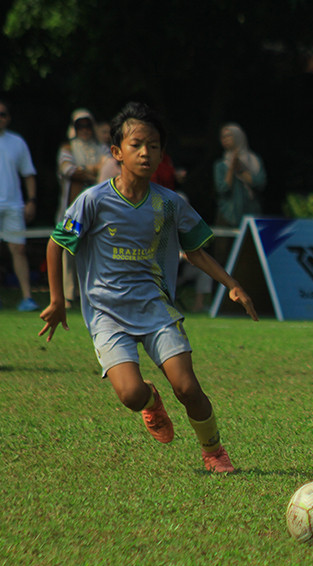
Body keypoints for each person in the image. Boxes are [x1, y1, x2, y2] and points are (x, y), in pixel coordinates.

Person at [38, 102, 259, 473]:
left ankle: (213, 450)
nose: (145, 152)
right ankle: (150, 401)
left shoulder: (171, 204)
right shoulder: (93, 201)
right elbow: (56, 244)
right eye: (136, 144)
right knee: (130, 394)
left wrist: (232, 284)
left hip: (156, 309)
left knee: (188, 388)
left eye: (153, 146)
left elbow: (197, 252)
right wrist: (58, 301)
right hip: (108, 315)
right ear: (116, 152)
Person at [193, 123, 266, 311]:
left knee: (250, 258)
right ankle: (219, 302)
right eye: (223, 136)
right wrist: (231, 169)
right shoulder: (220, 165)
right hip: (226, 215)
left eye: (229, 136)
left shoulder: (253, 160)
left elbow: (260, 183)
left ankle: (251, 300)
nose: (225, 139)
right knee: (222, 257)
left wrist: (242, 170)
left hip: (250, 215)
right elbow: (223, 189)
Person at [57, 109, 109, 308]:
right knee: (69, 248)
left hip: (98, 208)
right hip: (72, 207)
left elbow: (109, 167)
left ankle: (93, 295)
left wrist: (86, 171)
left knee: (96, 249)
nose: (85, 130)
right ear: (74, 128)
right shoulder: (67, 147)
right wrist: (94, 171)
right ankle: (69, 295)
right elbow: (68, 170)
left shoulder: (102, 147)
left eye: (88, 125)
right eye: (80, 126)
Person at [0, 98, 40, 311]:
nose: (0, 118)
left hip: (13, 205)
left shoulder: (17, 142)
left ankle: (27, 297)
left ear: (8, 118)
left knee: (18, 249)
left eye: (3, 114)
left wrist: (31, 200)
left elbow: (28, 174)